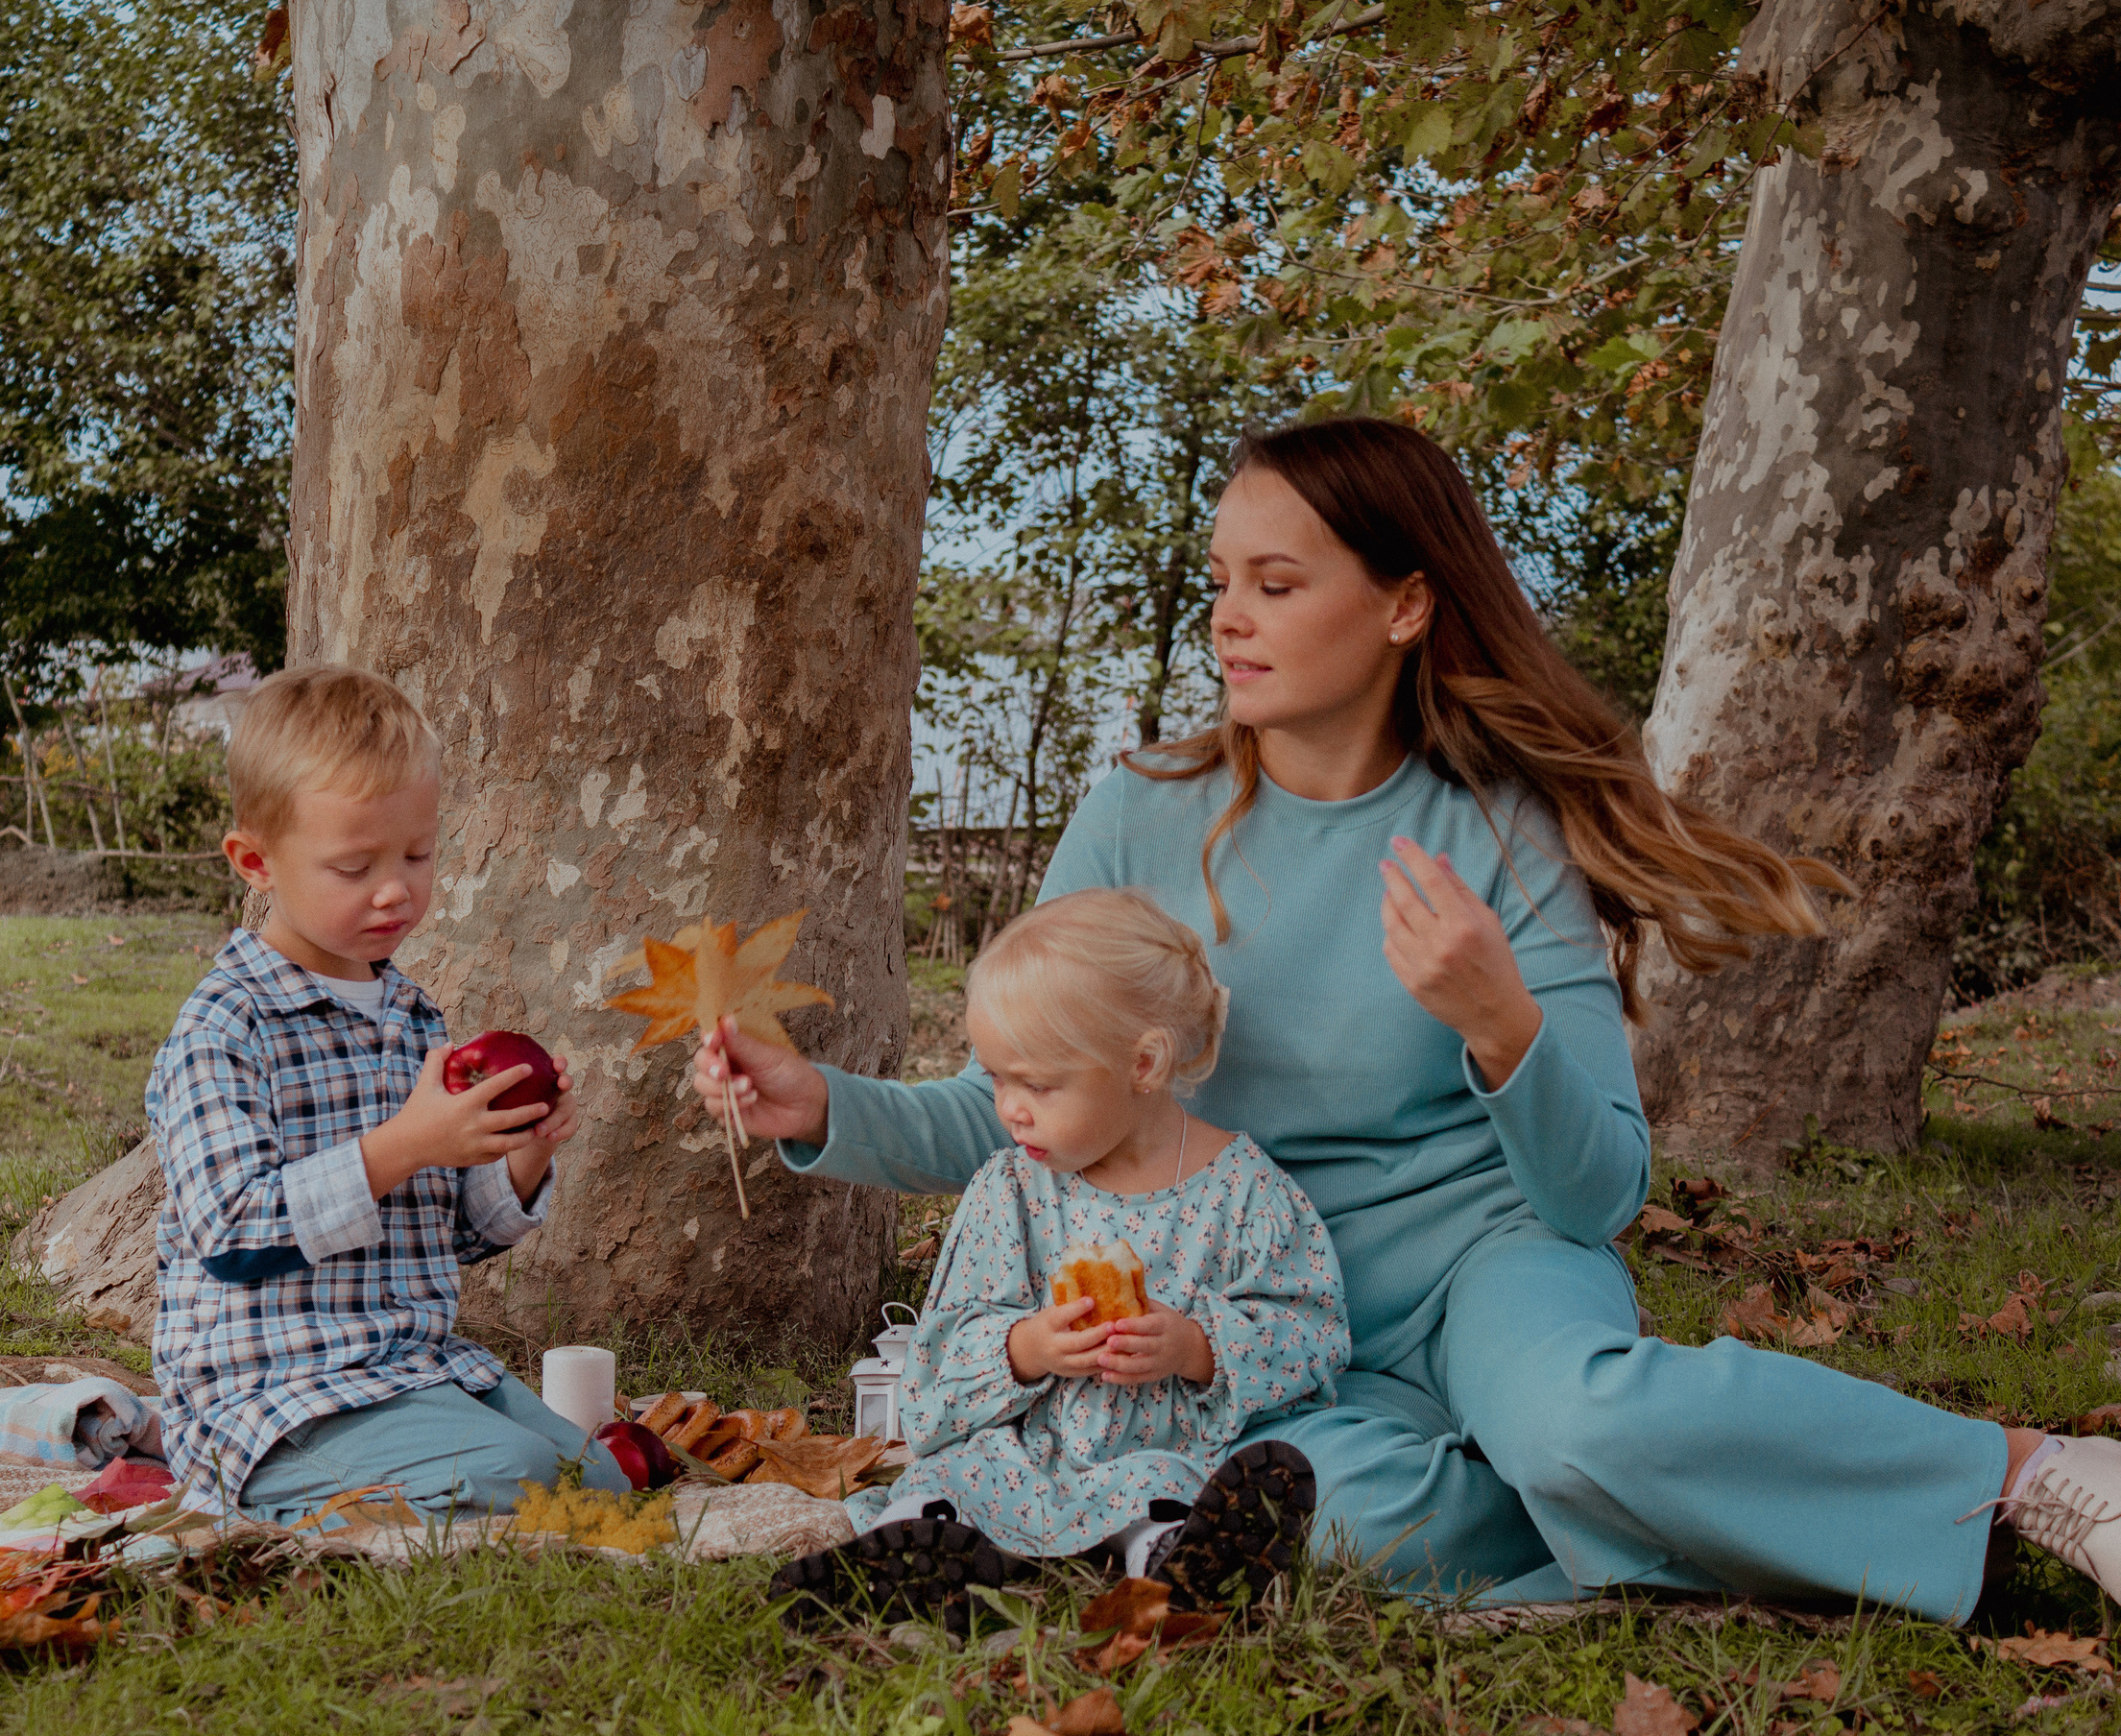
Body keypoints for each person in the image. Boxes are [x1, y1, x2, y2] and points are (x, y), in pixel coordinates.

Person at [697, 418, 2121, 1621]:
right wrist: (817, 1103)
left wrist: (1502, 1023)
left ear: (1403, 604)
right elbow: (1007, 1104)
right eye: (1220, 584)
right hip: (1242, 1312)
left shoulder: (1500, 828)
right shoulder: (1139, 812)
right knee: (1301, 1525)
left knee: (1579, 1420)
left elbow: (1597, 1192)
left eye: (1275, 581)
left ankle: (2021, 1472)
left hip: (1476, 1278)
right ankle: (1624, 1506)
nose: (1229, 619)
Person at [775, 889, 1347, 1628]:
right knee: (951, 1477)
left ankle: (1183, 1562)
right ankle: (918, 1556)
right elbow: (939, 1362)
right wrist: (1026, 1347)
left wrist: (1196, 1345)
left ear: (1143, 1063)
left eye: (1037, 1083)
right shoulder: (1008, 1189)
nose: (1009, 1107)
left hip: (1157, 1453)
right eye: (997, 1079)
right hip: (1016, 1448)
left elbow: (1313, 1334)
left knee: (1167, 1491)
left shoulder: (1244, 1193)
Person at [148, 664, 630, 1521]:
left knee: (601, 1484)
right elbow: (229, 1231)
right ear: (256, 861)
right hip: (276, 1401)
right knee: (525, 1481)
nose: (396, 888)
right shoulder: (225, 1029)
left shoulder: (410, 1015)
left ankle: (412, 1482)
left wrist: (519, 1153)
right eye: (353, 866)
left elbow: (453, 1236)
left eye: (416, 853)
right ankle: (273, 1506)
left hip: (413, 1370)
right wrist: (405, 1144)